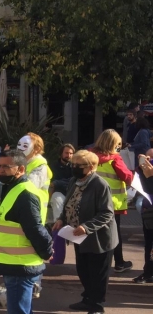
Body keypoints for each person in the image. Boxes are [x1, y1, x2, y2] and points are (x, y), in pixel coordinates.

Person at [52, 150, 117, 313]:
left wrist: (87, 227)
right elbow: (69, 204)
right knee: (83, 270)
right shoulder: (75, 180)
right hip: (78, 236)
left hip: (99, 238)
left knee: (98, 274)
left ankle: (97, 305)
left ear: (90, 167)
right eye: (73, 164)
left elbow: (107, 213)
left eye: (78, 165)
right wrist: (61, 219)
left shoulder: (99, 184)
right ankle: (87, 298)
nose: (74, 167)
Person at [0, 150, 53, 314]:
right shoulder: (11, 188)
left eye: (6, 166)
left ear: (21, 169)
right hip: (14, 264)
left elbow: (35, 229)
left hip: (20, 266)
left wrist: (47, 251)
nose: (0, 170)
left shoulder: (24, 194)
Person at [90, 129, 134, 273]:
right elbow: (127, 177)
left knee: (95, 232)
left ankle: (95, 263)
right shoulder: (115, 159)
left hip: (93, 202)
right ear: (113, 144)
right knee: (114, 234)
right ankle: (119, 263)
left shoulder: (90, 157)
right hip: (112, 203)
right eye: (118, 144)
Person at [134, 148, 153, 284]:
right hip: (149, 211)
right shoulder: (143, 171)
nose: (149, 162)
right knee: (149, 244)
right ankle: (148, 272)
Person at [49, 144, 75, 223]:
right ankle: (58, 227)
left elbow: (74, 180)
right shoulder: (53, 166)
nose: (69, 155)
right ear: (61, 154)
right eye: (66, 153)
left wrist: (57, 183)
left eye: (71, 153)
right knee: (57, 199)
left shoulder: (75, 166)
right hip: (58, 192)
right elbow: (50, 182)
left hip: (72, 192)